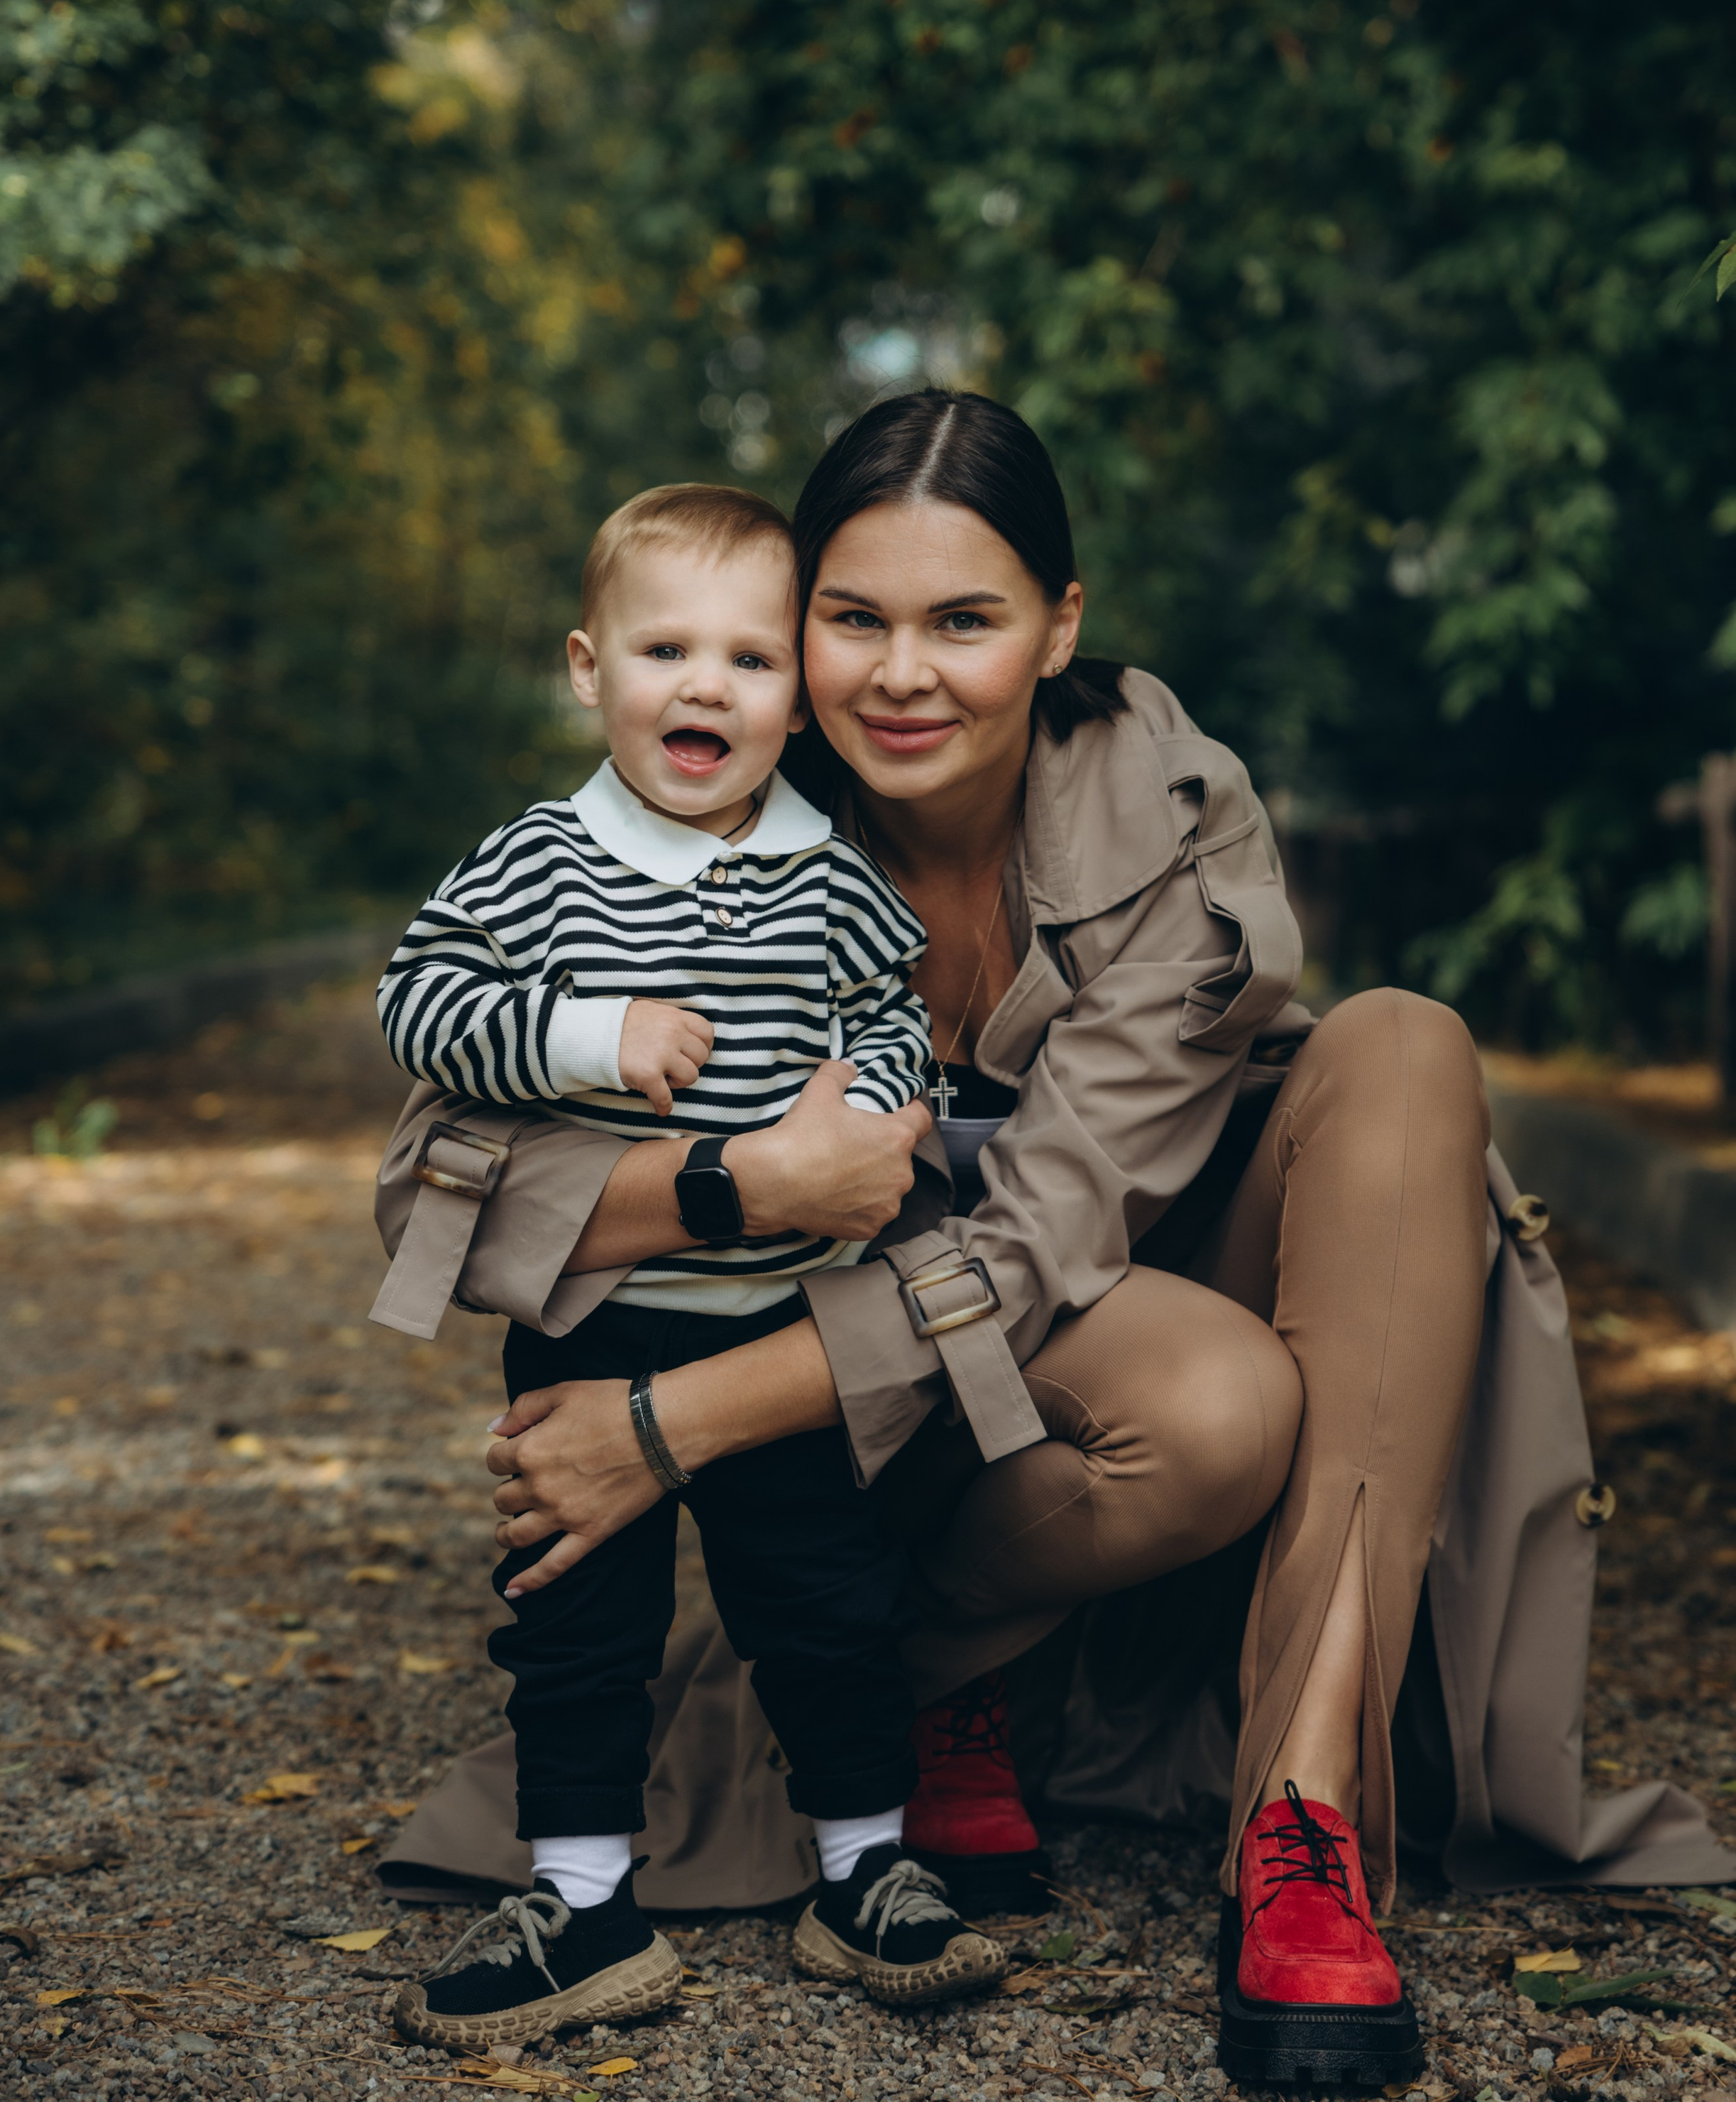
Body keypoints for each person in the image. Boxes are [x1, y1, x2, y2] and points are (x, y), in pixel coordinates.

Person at [375, 395, 1732, 2089]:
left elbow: (1028, 1249)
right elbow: (440, 1173)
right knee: (1202, 1402)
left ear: (1059, 626)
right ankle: (928, 1683)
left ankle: (1301, 1826)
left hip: (1039, 1312)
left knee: (1398, 1047)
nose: (900, 676)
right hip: (859, 1413)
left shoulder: (1170, 813)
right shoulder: (686, 800)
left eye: (965, 619)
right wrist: (741, 1187)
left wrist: (665, 1427)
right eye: (852, 619)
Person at [373, 483, 1008, 2049]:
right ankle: (579, 1896)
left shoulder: (826, 876)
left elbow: (884, 1020)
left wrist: (861, 1118)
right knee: (573, 1611)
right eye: (666, 649)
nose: (704, 687)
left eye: (746, 658)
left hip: (775, 1326)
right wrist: (589, 1036)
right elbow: (419, 1001)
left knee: (825, 1603)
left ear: (795, 699)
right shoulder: (540, 864)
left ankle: (865, 1869)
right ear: (591, 671)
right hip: (591, 1320)